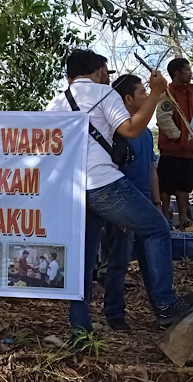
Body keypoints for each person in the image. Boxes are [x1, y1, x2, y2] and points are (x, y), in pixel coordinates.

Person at [46, 49, 192, 333]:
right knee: (157, 228)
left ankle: (80, 327)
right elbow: (132, 129)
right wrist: (156, 92)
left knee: (83, 260)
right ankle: (164, 303)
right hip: (103, 183)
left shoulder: (55, 104)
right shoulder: (104, 94)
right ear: (99, 72)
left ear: (69, 75)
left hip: (71, 189)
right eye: (106, 72)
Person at [101, 74, 163, 331]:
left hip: (145, 205)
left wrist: (158, 202)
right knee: (118, 261)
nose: (147, 97)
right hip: (123, 206)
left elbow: (151, 169)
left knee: (153, 259)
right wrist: (121, 213)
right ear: (127, 99)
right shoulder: (117, 133)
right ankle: (114, 314)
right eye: (141, 93)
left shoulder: (146, 134)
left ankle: (162, 308)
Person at [155, 58, 193, 229]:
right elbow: (164, 119)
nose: (190, 73)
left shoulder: (192, 92)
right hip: (171, 150)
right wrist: (178, 137)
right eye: (187, 70)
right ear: (177, 73)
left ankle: (184, 217)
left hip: (189, 152)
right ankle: (164, 214)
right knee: (166, 185)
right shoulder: (167, 94)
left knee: (185, 186)